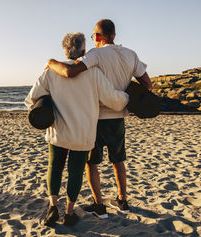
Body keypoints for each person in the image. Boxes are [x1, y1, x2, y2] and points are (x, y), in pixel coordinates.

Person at [46, 19, 152, 217]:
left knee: (91, 163)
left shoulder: (95, 54)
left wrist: (51, 64)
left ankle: (99, 205)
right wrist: (127, 92)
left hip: (96, 118)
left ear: (98, 36)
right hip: (119, 116)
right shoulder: (130, 54)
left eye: (94, 35)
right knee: (118, 160)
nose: (93, 39)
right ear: (113, 34)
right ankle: (122, 200)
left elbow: (71, 71)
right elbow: (147, 84)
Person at [25, 32, 129, 227]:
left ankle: (52, 207)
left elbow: (31, 99)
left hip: (58, 132)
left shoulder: (50, 72)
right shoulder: (94, 73)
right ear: (83, 50)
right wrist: (127, 98)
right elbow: (112, 100)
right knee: (76, 171)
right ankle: (69, 212)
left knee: (54, 168)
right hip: (83, 133)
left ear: (65, 51)